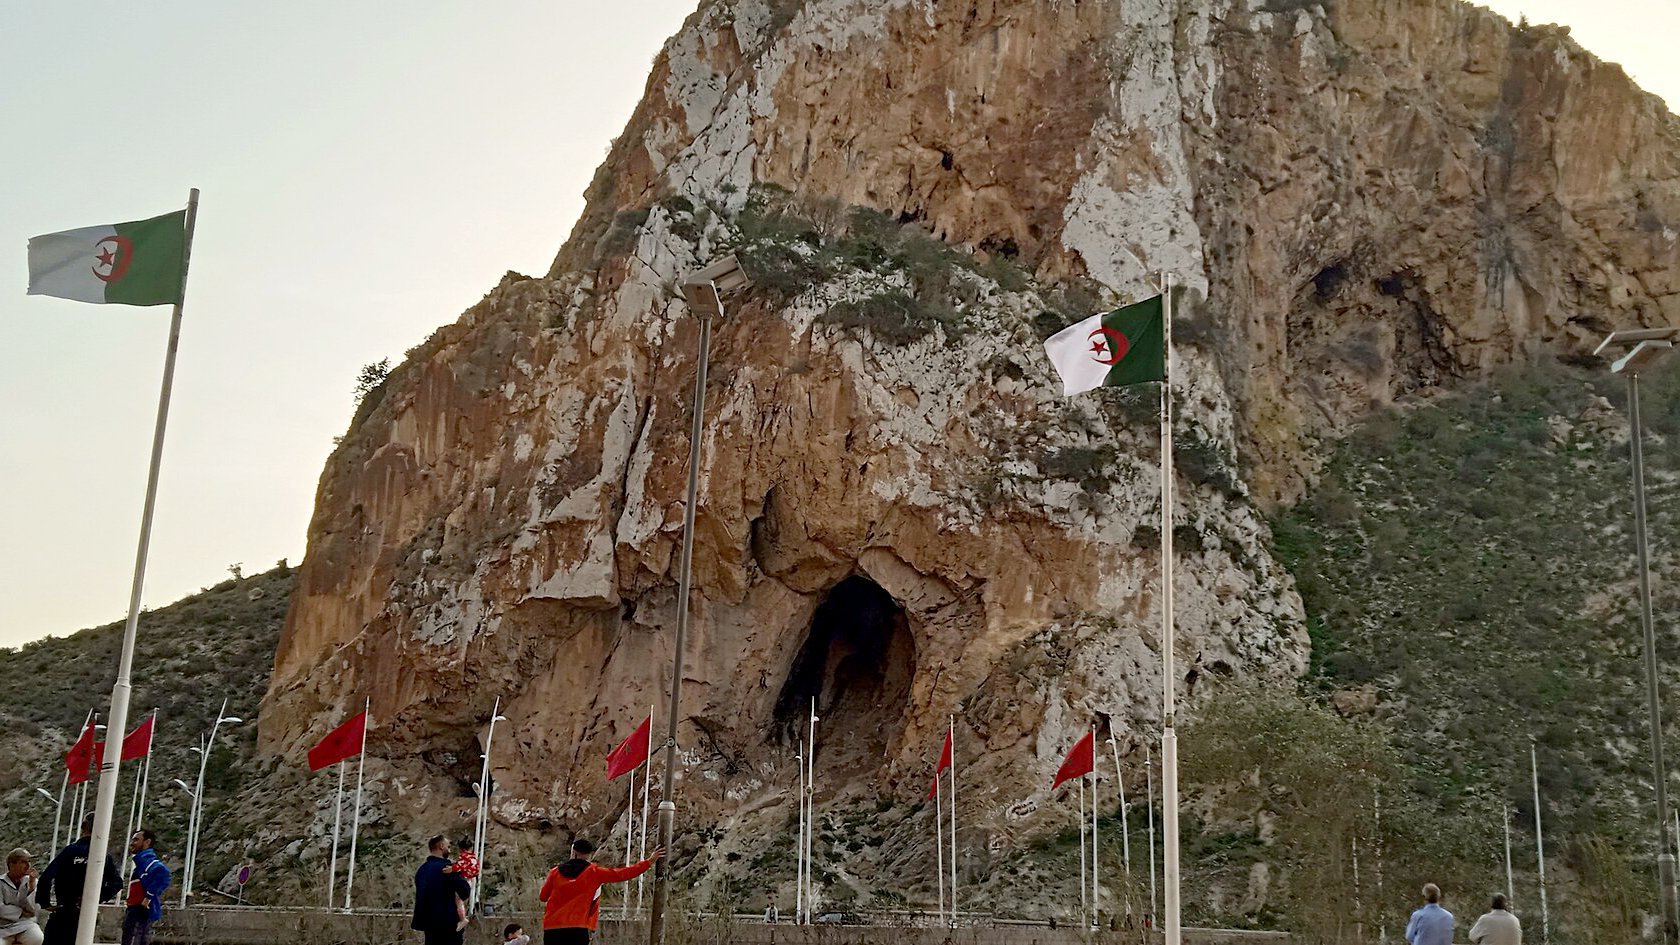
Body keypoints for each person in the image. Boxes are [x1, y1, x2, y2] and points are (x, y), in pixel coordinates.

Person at [539, 839, 664, 944]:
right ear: (589, 854)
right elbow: (623, 873)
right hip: (578, 926)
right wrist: (650, 861)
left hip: (553, 926)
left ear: (573, 851)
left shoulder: (555, 872)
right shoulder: (594, 872)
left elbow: (543, 896)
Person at [36, 815, 121, 945]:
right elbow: (117, 883)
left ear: (83, 828)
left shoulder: (70, 851)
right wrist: (95, 898)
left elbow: (45, 878)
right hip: (87, 914)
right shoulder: (103, 855)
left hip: (64, 911)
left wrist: (45, 902)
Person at [412, 835, 471, 945]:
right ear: (441, 846)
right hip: (448, 924)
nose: (449, 849)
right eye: (448, 846)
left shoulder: (422, 870)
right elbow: (464, 892)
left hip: (429, 925)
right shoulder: (447, 868)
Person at [121, 831, 170, 945]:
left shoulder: (148, 862)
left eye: (136, 840)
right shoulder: (141, 864)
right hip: (135, 909)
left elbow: (164, 875)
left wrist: (148, 897)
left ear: (147, 842)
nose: (132, 843)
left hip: (139, 911)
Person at [0, 849, 41, 945]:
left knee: (38, 938)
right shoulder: (0, 882)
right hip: (2, 927)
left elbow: (34, 910)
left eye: (29, 862)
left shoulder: (32, 881)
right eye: (23, 862)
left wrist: (31, 887)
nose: (28, 865)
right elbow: (1, 909)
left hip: (25, 924)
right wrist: (21, 912)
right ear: (11, 864)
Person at [443, 837, 480, 930]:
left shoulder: (464, 857)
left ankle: (462, 918)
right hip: (471, 880)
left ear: (461, 849)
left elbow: (459, 865)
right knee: (461, 900)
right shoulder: (474, 857)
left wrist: (451, 869)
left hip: (465, 880)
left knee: (458, 901)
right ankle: (463, 916)